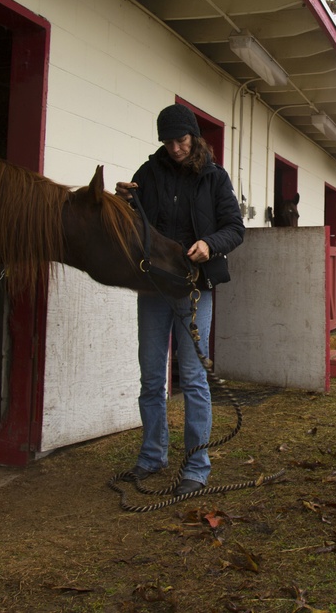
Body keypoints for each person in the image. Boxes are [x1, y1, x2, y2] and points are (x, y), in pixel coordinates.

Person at [115, 103, 245, 493]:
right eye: (168, 141)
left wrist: (209, 243)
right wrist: (122, 203)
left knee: (192, 377)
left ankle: (196, 466)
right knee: (152, 376)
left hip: (194, 288)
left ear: (194, 137)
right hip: (154, 286)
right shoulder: (148, 173)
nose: (175, 148)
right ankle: (152, 456)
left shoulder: (215, 178)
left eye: (181, 139)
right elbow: (135, 222)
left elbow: (235, 228)